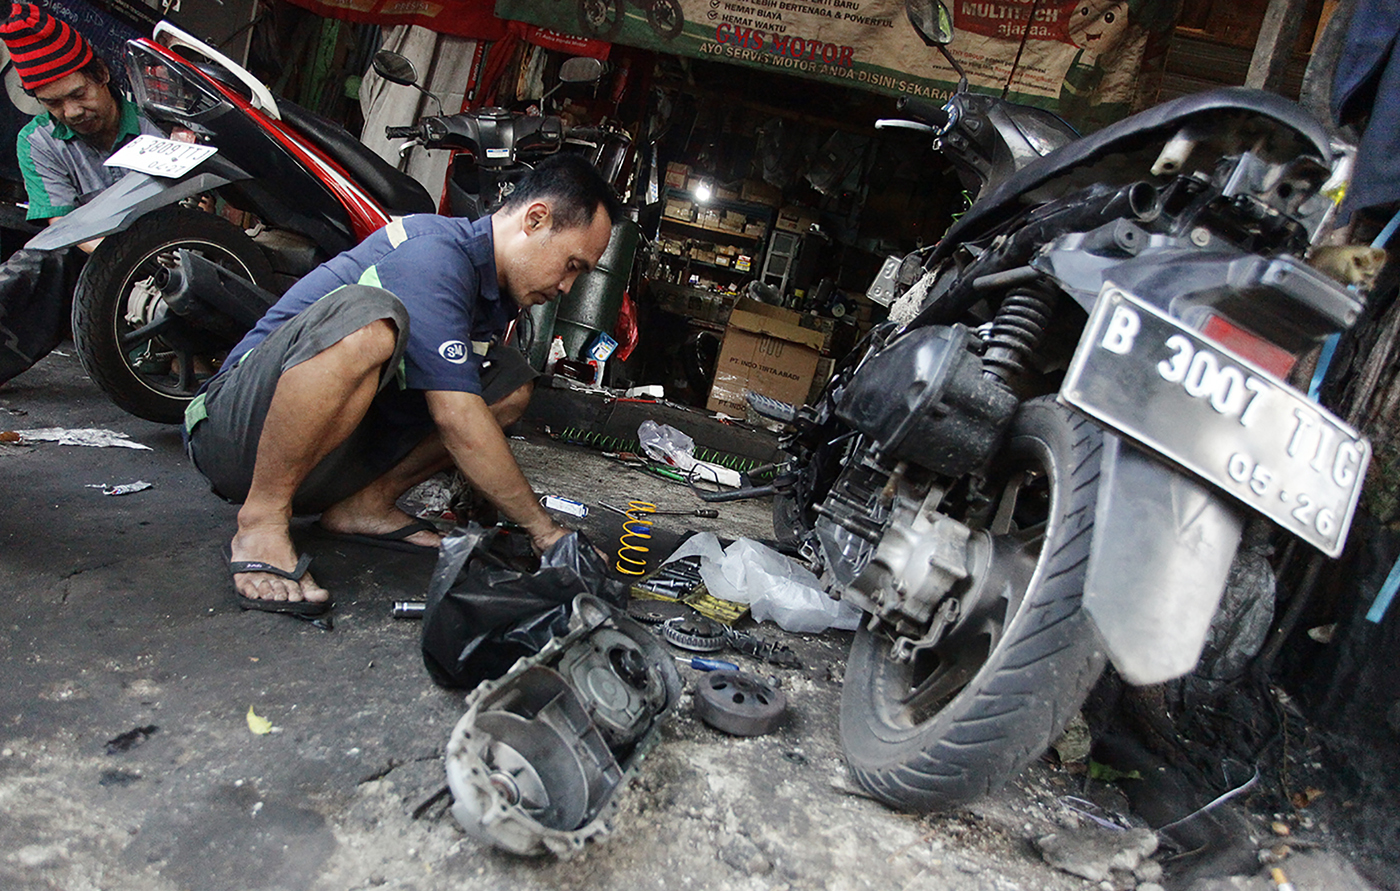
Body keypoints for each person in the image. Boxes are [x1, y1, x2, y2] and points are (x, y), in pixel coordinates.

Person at [184, 152, 622, 616]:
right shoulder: (433, 256)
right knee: (370, 324)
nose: (568, 287)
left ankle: (363, 506)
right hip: (231, 436)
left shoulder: (492, 291)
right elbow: (456, 417)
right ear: (535, 220)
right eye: (572, 265)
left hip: (322, 462)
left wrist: (488, 503)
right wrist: (544, 530)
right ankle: (261, 521)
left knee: (508, 380)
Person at [3, 1, 162, 230]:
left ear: (102, 73)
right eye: (52, 103)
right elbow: (65, 228)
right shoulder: (37, 142)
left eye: (79, 94)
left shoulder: (157, 125)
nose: (72, 112)